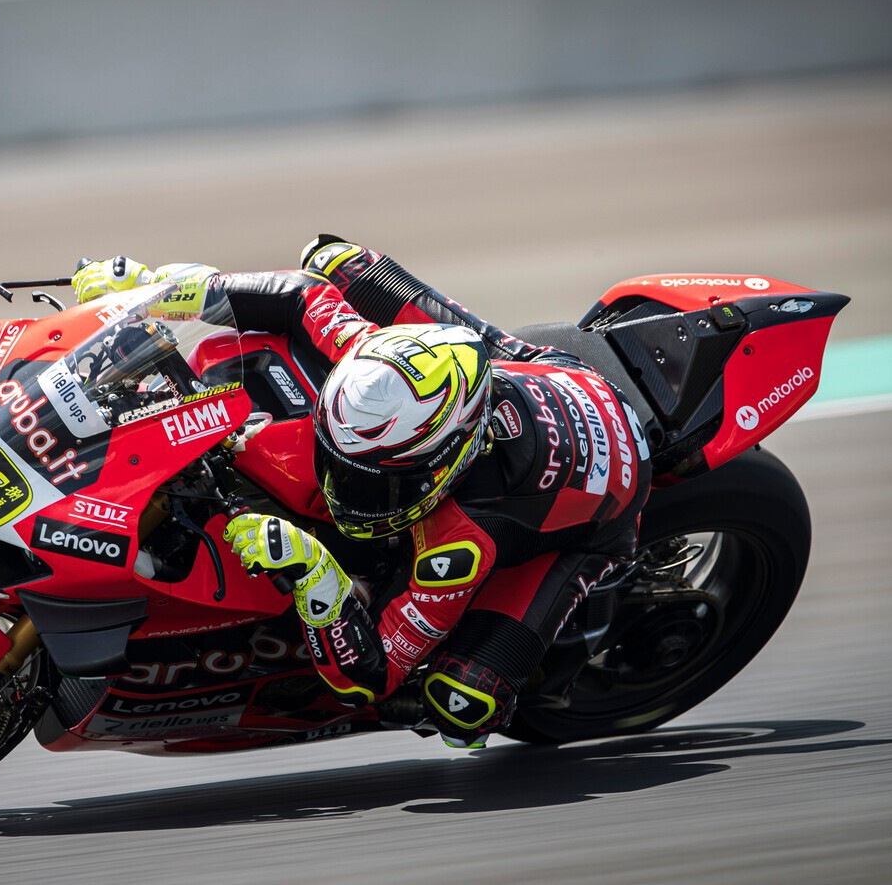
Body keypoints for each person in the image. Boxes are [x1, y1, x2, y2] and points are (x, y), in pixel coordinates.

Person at [72, 237, 651, 747]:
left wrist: (315, 572)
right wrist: (156, 291)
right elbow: (298, 295)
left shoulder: (461, 542)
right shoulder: (362, 350)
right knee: (331, 259)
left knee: (463, 704)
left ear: (443, 467)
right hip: (541, 369)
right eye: (341, 465)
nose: (346, 492)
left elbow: (373, 676)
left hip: (605, 506)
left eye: (378, 483)